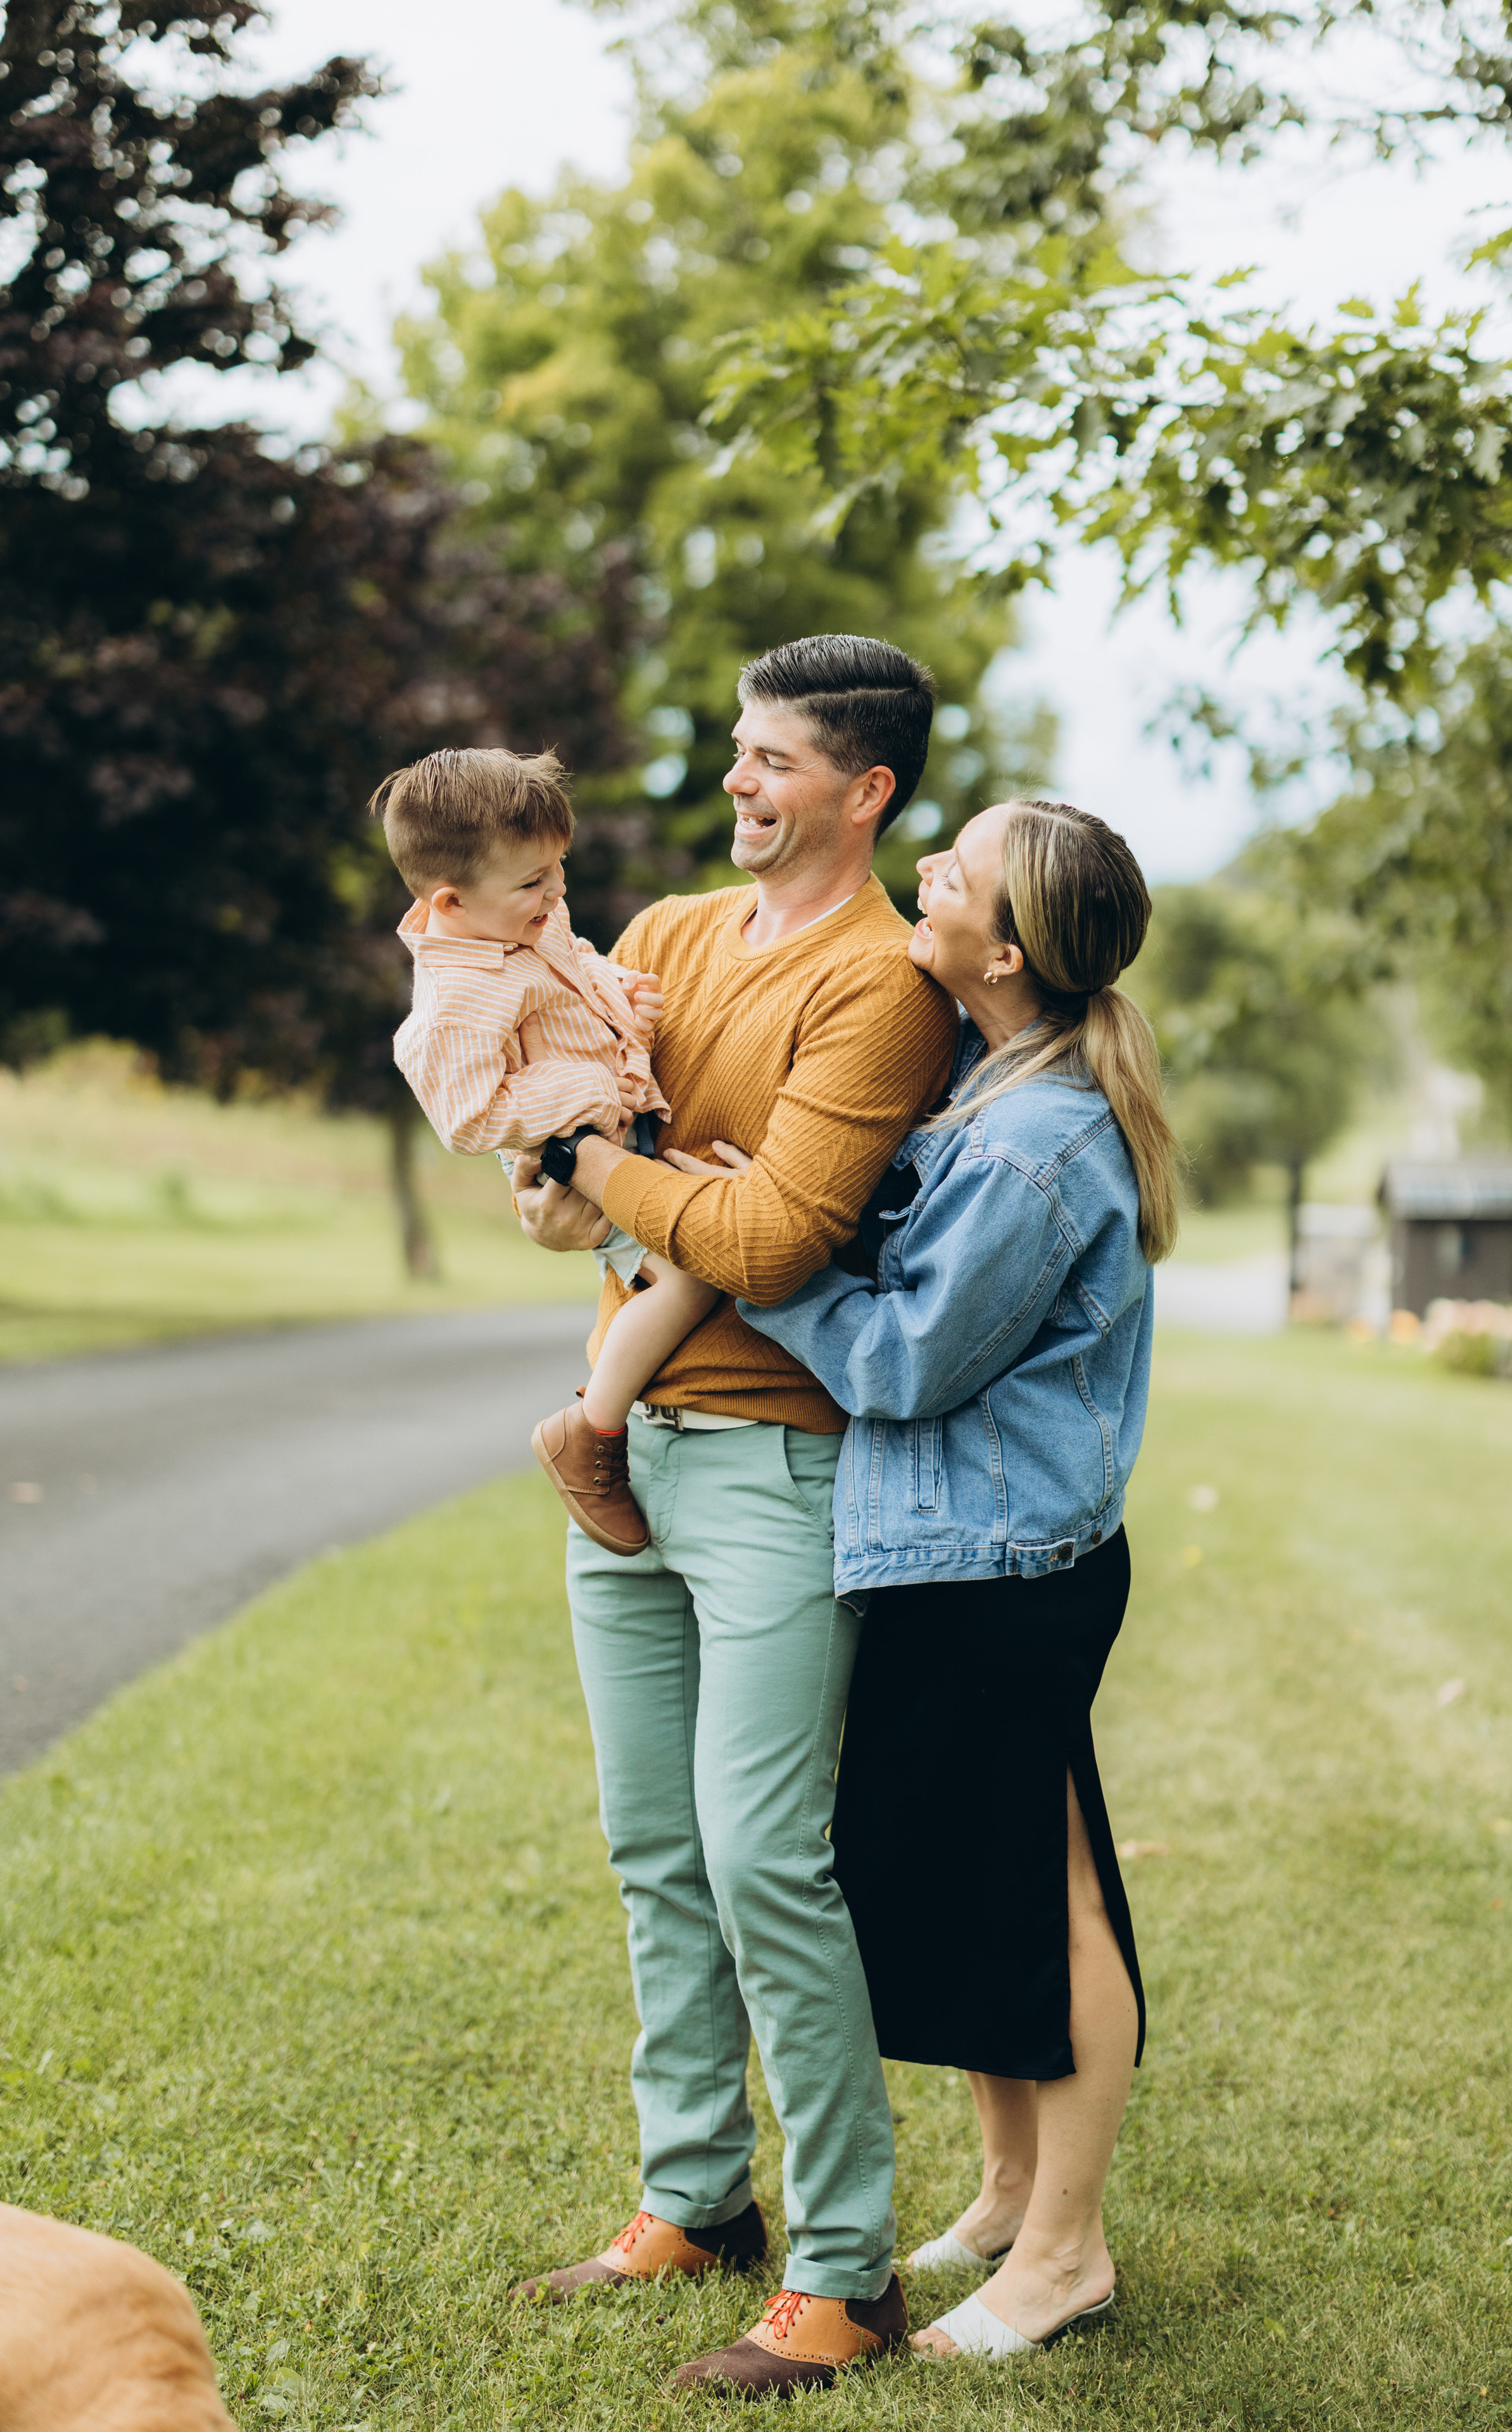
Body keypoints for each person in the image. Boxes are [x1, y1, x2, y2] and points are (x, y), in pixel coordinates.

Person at [506, 636, 961, 2395]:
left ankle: (845, 2276)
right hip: (621, 1451)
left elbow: (774, 1244)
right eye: (736, 750)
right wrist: (596, 1177)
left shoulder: (883, 987)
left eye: (774, 759)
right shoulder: (670, 936)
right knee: (652, 1847)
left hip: (779, 1466)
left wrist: (616, 1178)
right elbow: (558, 1180)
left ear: (866, 790)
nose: (737, 782)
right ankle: (694, 2198)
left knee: (766, 1856)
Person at [739, 797, 1180, 2362]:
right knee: (977, 1883)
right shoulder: (986, 1085)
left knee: (1048, 1893)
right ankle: (1005, 2195)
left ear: (1005, 951)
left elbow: (903, 1361)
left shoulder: (1030, 1139)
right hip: (958, 1552)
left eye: (956, 870)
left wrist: (755, 1258)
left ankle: (1063, 2254)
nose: (923, 870)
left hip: (1001, 1563)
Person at [374, 746, 719, 1555]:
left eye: (559, 867)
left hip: (607, 1124)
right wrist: (587, 1093)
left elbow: (572, 973)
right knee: (693, 1274)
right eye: (535, 881)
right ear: (451, 901)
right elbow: (469, 1119)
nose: (557, 891)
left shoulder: (521, 918)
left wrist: (618, 995)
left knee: (680, 1256)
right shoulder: (456, 999)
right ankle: (591, 1429)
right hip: (565, 1149)